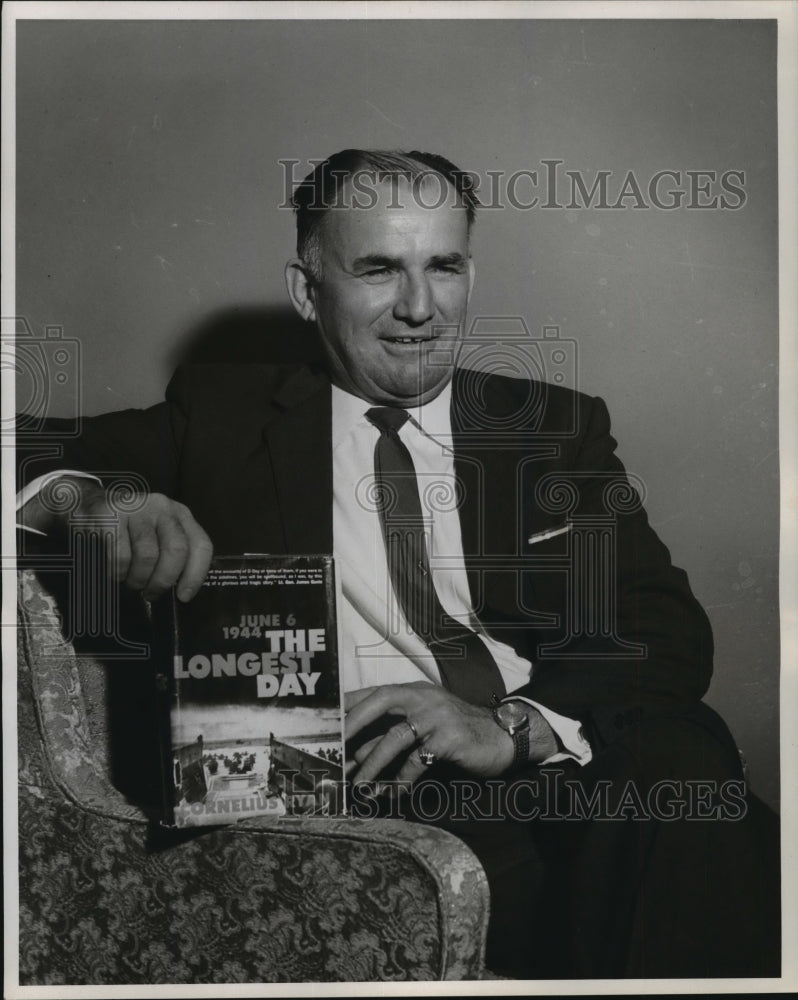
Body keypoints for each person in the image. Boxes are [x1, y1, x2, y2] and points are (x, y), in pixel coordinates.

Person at [16, 149, 779, 978]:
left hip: (559, 762)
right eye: (379, 269)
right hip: (396, 791)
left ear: (469, 275)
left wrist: (510, 728)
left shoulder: (547, 426)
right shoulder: (226, 416)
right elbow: (29, 445)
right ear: (309, 292)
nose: (419, 308)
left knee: (682, 765)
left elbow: (663, 632)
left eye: (442, 266)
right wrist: (94, 501)